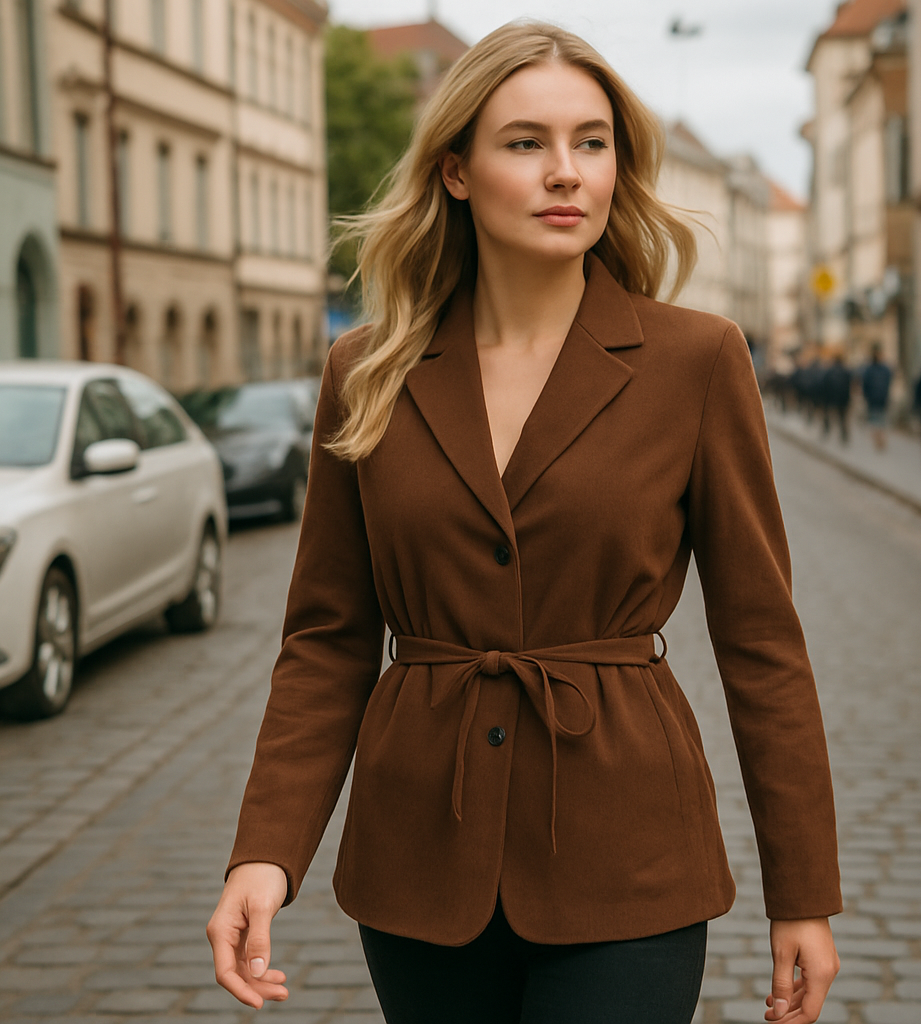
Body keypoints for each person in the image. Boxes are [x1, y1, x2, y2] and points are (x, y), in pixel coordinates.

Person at [207, 22, 842, 1024]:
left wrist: (802, 891)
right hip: (419, 852)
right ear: (455, 170)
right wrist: (265, 849)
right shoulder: (365, 371)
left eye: (591, 143)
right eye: (524, 143)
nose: (565, 173)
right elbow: (327, 642)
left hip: (630, 847)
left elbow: (761, 643)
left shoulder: (696, 360)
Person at [860, 344, 893, 451]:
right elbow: (889, 381)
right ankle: (880, 439)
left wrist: (866, 396)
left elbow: (864, 384)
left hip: (872, 399)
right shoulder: (885, 369)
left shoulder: (869, 370)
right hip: (882, 398)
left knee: (875, 420)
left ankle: (878, 440)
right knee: (881, 420)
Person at [821, 352, 852, 444]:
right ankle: (844, 435)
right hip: (843, 398)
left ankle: (827, 431)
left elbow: (824, 385)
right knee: (842, 418)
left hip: (831, 398)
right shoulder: (846, 371)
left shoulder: (829, 372)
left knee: (829, 416)